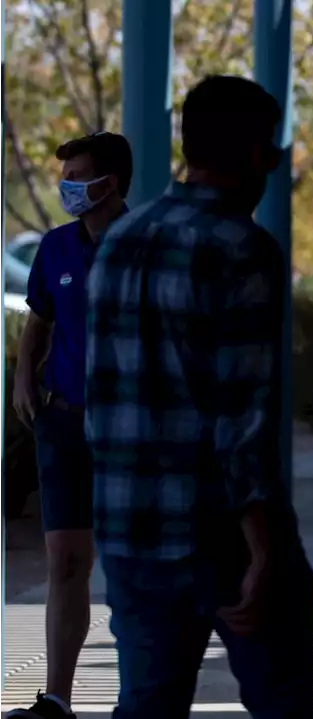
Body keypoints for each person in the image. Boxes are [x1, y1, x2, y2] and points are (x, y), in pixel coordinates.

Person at [83, 75, 313, 718]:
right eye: (271, 150)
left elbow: (101, 398)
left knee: (147, 704)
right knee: (284, 699)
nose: (274, 165)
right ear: (248, 154)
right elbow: (240, 420)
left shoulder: (118, 244)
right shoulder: (241, 249)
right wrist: (265, 549)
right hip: (220, 536)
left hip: (129, 531)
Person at [8, 132, 132, 719]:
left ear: (110, 183)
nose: (69, 188)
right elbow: (38, 322)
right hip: (63, 424)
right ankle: (57, 698)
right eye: (67, 177)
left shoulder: (146, 244)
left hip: (132, 435)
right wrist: (24, 379)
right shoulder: (56, 247)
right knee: (65, 562)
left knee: (133, 564)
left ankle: (141, 693)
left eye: (79, 177)